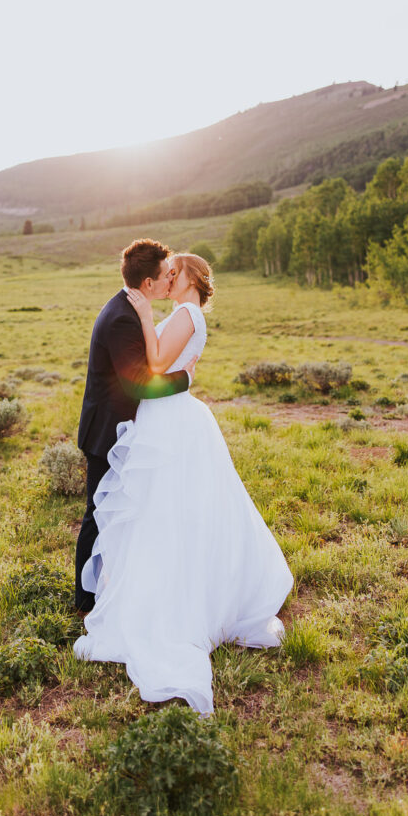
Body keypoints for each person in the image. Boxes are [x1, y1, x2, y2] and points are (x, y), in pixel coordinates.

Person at [74, 252, 294, 714]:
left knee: (162, 508)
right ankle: (115, 589)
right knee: (164, 508)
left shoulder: (185, 314)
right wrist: (180, 368)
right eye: (166, 272)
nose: (170, 277)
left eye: (177, 271)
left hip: (169, 418)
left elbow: (152, 363)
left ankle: (159, 594)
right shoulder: (178, 315)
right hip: (166, 413)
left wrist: (147, 315)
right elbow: (157, 370)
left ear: (194, 278)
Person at [75, 239, 197, 612]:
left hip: (118, 427)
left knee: (118, 511)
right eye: (164, 276)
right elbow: (139, 384)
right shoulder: (122, 319)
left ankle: (113, 582)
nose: (168, 282)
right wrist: (185, 380)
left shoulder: (126, 308)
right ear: (148, 283)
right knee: (98, 514)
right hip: (105, 433)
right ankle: (85, 600)